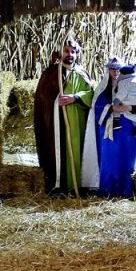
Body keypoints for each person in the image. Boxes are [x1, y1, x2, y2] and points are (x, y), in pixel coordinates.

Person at [33, 39, 94, 195]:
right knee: (58, 153)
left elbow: (91, 94)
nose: (70, 54)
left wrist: (76, 97)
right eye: (66, 51)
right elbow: (42, 99)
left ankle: (77, 185)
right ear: (60, 52)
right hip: (56, 124)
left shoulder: (81, 73)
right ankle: (59, 186)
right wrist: (54, 102)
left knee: (77, 151)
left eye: (73, 51)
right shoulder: (50, 74)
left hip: (78, 122)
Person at [82, 58, 136, 197]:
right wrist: (111, 108)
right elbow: (97, 107)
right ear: (108, 71)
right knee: (110, 160)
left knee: (126, 160)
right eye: (112, 69)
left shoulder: (134, 84)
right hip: (109, 129)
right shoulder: (102, 88)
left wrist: (128, 107)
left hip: (128, 129)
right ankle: (108, 191)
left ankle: (125, 192)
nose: (115, 72)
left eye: (118, 69)